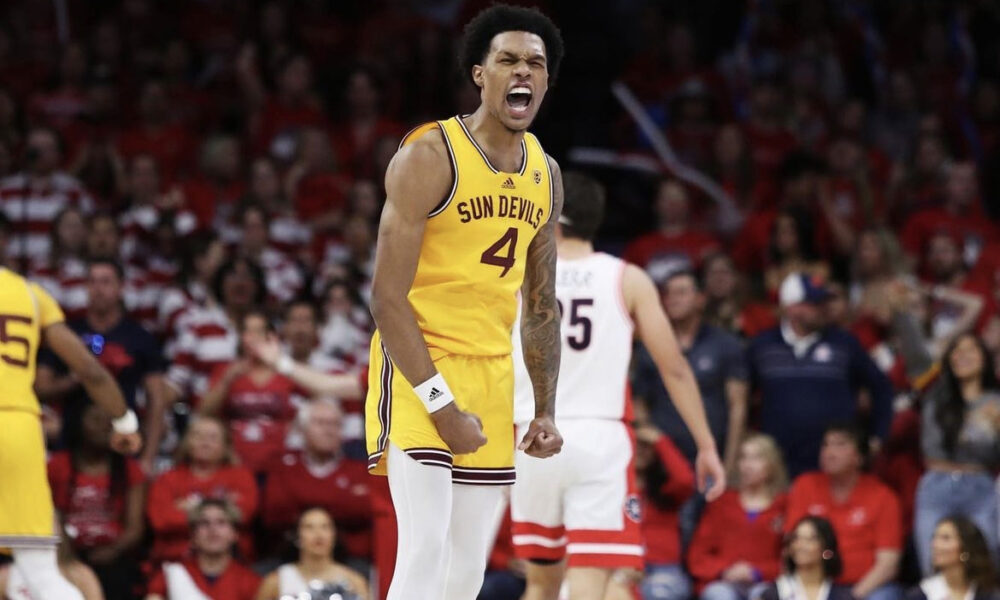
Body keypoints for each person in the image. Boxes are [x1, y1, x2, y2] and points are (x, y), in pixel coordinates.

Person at [363, 6, 566, 599]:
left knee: (465, 575)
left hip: (492, 374)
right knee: (423, 551)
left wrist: (546, 408)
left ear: (547, 80)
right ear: (481, 74)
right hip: (419, 366)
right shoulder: (431, 155)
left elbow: (541, 304)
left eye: (535, 63)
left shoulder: (545, 175)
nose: (522, 71)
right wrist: (440, 403)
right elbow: (385, 296)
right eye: (507, 60)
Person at [510, 172, 725, 600]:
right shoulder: (627, 278)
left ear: (552, 217)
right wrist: (706, 445)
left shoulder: (518, 275)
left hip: (531, 435)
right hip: (599, 438)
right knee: (592, 583)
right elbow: (675, 369)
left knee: (540, 584)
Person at [0, 265, 140, 599]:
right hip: (18, 427)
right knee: (41, 572)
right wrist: (124, 423)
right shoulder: (30, 294)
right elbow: (90, 371)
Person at [747, 272, 895, 476]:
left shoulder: (845, 344)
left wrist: (877, 436)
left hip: (834, 464)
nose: (823, 309)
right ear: (792, 308)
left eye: (823, 302)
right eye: (814, 304)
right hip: (778, 464)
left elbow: (881, 388)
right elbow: (742, 395)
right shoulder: (762, 346)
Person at [35, 258, 168, 473]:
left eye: (106, 282)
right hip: (71, 446)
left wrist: (148, 457)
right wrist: (78, 377)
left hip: (124, 442)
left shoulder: (140, 337)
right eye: (93, 282)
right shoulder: (66, 334)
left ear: (121, 287)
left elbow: (157, 399)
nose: (98, 290)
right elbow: (41, 387)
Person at [635, 268, 748, 474]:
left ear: (700, 299)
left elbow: (737, 407)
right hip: (662, 465)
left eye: (681, 292)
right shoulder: (650, 345)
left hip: (713, 457)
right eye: (669, 294)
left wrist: (731, 466)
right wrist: (651, 446)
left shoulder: (726, 344)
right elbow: (640, 404)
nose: (673, 299)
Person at [915, 333, 1000, 575]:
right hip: (936, 485)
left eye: (971, 349)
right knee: (931, 563)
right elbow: (914, 356)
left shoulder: (996, 403)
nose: (963, 356)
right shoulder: (934, 393)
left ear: (985, 358)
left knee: (987, 561)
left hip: (980, 486)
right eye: (957, 350)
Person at [786, 424, 903, 600]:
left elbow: (888, 563)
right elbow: (790, 546)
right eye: (825, 445)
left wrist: (850, 596)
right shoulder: (805, 486)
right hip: (813, 586)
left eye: (840, 445)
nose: (829, 452)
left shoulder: (883, 496)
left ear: (860, 457)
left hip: (864, 588)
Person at [47, 400, 146, 598]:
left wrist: (113, 550)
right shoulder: (57, 465)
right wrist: (66, 555)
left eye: (109, 421)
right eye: (95, 419)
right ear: (79, 423)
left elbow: (135, 528)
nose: (103, 426)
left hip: (114, 557)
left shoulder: (129, 469)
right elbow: (50, 515)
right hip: (65, 553)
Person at [262, 399, 373, 566]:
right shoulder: (282, 466)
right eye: (320, 423)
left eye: (335, 424)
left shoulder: (361, 470)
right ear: (303, 430)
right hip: (289, 557)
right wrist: (339, 501)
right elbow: (275, 514)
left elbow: (363, 511)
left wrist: (303, 500)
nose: (329, 430)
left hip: (348, 560)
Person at [687, 433, 788, 600]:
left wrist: (757, 572)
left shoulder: (785, 505)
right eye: (743, 458)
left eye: (756, 458)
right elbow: (697, 555)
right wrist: (725, 570)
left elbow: (792, 560)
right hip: (723, 583)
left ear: (772, 465)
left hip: (768, 584)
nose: (747, 465)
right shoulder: (722, 502)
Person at [146, 416, 258, 564]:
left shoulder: (241, 476)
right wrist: (222, 508)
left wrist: (189, 508)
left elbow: (243, 515)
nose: (205, 442)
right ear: (187, 442)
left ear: (225, 446)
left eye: (213, 437)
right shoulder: (167, 478)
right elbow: (160, 521)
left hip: (232, 560)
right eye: (198, 436)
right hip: (175, 559)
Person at [199, 309, 300, 473]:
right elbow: (204, 413)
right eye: (247, 331)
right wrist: (226, 381)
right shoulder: (225, 371)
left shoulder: (286, 373)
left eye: (258, 331)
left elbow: (300, 418)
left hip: (278, 465)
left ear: (270, 336)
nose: (253, 337)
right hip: (233, 463)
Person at [0, 126, 94, 268]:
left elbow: (90, 232)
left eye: (47, 148)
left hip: (57, 273)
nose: (39, 153)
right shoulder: (6, 190)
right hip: (12, 271)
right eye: (35, 147)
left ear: (59, 153)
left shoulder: (74, 192)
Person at [145, 499, 261, 600]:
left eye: (221, 522)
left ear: (235, 534)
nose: (213, 529)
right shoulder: (169, 576)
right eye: (204, 523)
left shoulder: (251, 582)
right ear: (193, 535)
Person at [633, 421, 697, 600]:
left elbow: (685, 481)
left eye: (647, 446)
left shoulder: (666, 490)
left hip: (664, 569)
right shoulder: (613, 487)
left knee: (656, 593)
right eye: (636, 444)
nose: (640, 451)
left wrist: (660, 440)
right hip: (625, 566)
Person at [255, 507, 370, 600]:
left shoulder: (355, 582)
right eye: (309, 527)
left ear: (334, 535)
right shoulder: (276, 581)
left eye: (325, 527)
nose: (318, 534)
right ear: (296, 536)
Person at [758, 516, 854, 600]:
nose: (800, 546)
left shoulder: (842, 596)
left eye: (810, 539)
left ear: (826, 547)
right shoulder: (773, 593)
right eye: (797, 538)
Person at [907, 517, 999, 600]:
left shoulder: (988, 594)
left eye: (945, 538)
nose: (935, 545)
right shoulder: (919, 595)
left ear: (966, 547)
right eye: (934, 538)